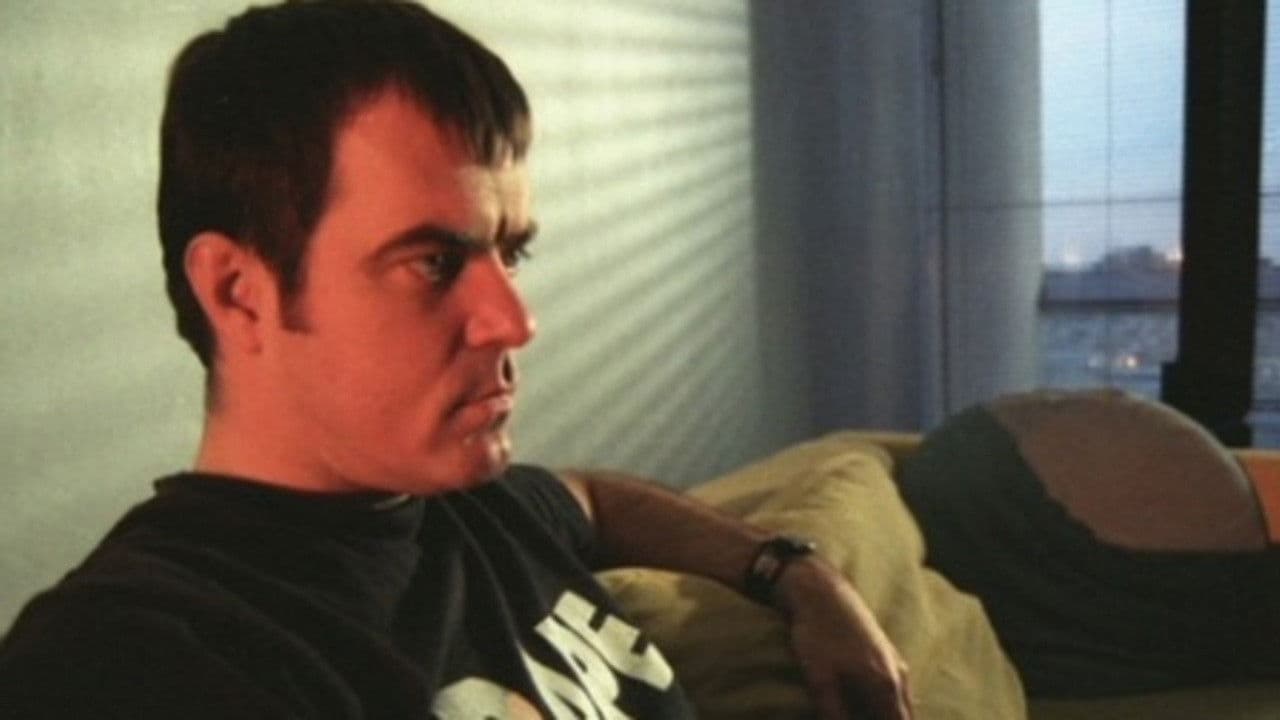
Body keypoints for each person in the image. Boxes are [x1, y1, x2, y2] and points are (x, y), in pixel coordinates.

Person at [0, 2, 911, 718]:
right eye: (433, 262)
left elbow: (595, 500)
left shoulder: (474, 509)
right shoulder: (129, 657)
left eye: (511, 252)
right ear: (239, 292)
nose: (514, 321)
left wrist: (798, 576)